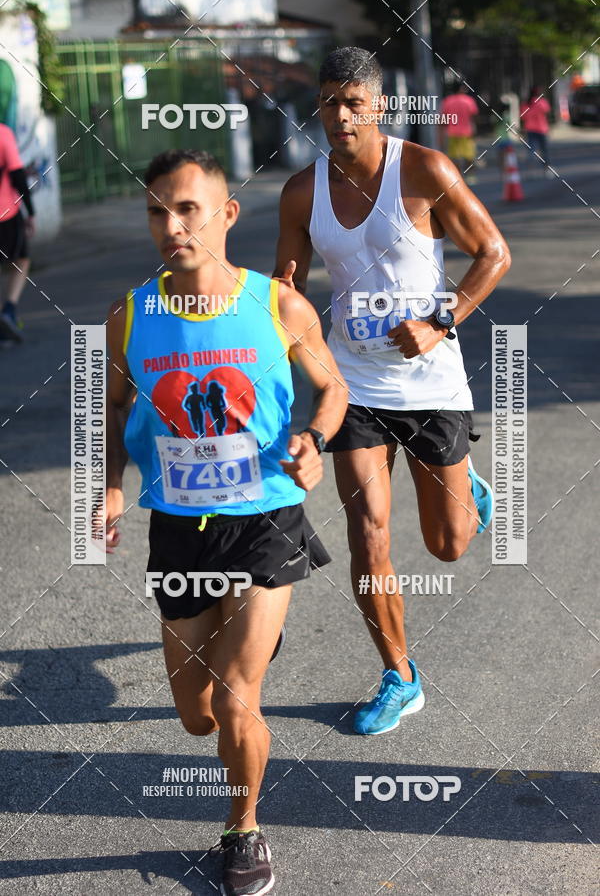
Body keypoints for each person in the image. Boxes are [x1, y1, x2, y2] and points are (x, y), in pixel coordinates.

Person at [104, 149, 347, 896]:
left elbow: (331, 389)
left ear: (226, 214)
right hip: (179, 528)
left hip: (266, 518)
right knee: (196, 715)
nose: (172, 224)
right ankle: (248, 637)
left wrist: (317, 441)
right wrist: (110, 487)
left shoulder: (277, 305)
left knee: (241, 696)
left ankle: (243, 828)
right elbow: (111, 408)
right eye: (157, 211)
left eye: (187, 208)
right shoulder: (129, 315)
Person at [274, 47, 511, 736]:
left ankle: (469, 493)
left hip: (431, 381)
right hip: (356, 384)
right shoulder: (301, 191)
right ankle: (400, 675)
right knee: (367, 534)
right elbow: (286, 289)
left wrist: (441, 321)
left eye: (353, 102)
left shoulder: (424, 170)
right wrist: (284, 309)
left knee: (448, 545)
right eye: (328, 102)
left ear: (379, 105)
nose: (340, 115)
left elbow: (493, 252)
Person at [0, 123, 35, 343]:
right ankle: (9, 311)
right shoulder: (3, 133)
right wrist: (31, 212)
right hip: (6, 214)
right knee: (21, 260)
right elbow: (17, 175)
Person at [440, 81, 479, 178]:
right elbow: (473, 117)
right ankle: (470, 177)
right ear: (461, 89)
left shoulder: (447, 101)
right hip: (467, 132)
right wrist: (474, 129)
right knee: (469, 155)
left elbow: (443, 119)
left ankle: (457, 177)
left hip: (452, 132)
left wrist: (442, 133)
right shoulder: (469, 101)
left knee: (454, 157)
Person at [521, 86, 552, 175]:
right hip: (542, 129)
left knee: (531, 151)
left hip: (530, 129)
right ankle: (547, 169)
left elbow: (523, 117)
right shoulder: (542, 102)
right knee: (544, 150)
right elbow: (547, 112)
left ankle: (530, 170)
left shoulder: (526, 104)